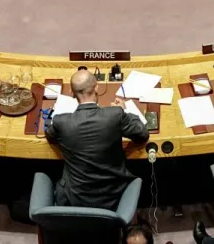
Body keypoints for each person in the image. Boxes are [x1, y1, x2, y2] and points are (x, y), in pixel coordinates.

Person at [46, 68, 148, 209]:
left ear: (72, 93)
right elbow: (142, 135)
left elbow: (50, 137)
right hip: (115, 195)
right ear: (97, 89)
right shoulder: (115, 115)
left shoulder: (61, 121)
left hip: (74, 198)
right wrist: (125, 111)